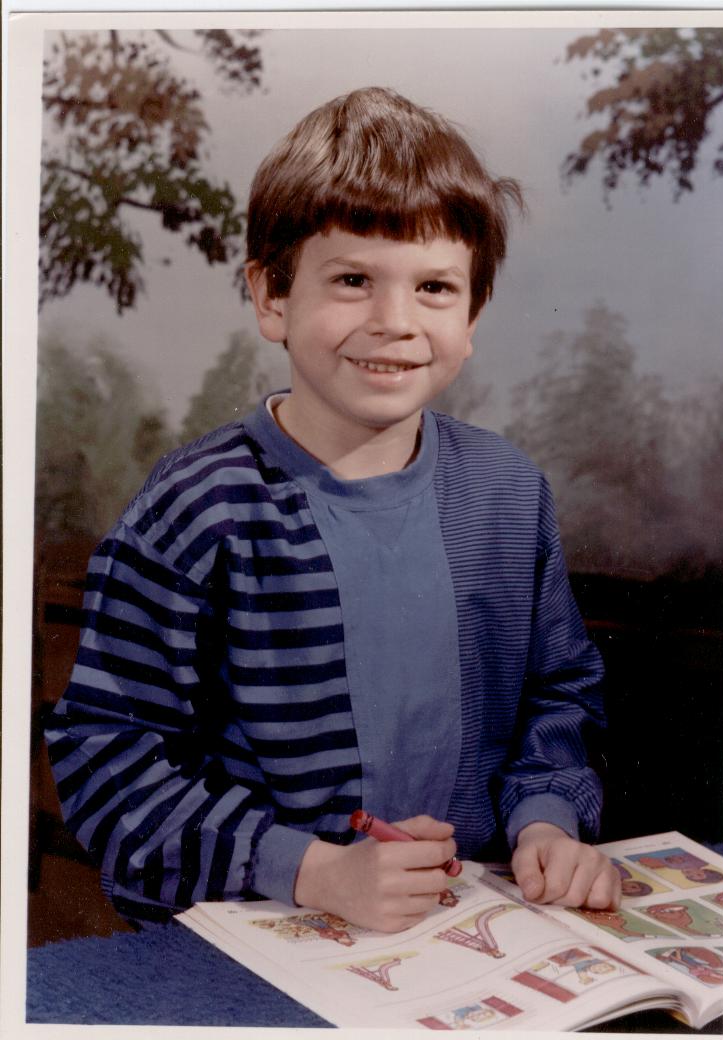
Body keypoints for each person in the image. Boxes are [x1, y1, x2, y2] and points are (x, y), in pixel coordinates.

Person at [46, 86, 620, 932]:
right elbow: (108, 759)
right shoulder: (198, 507)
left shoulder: (507, 493)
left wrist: (547, 821)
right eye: (353, 280)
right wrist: (311, 870)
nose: (395, 322)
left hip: (471, 928)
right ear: (272, 296)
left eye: (434, 287)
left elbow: (558, 696)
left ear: (472, 317)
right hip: (248, 935)